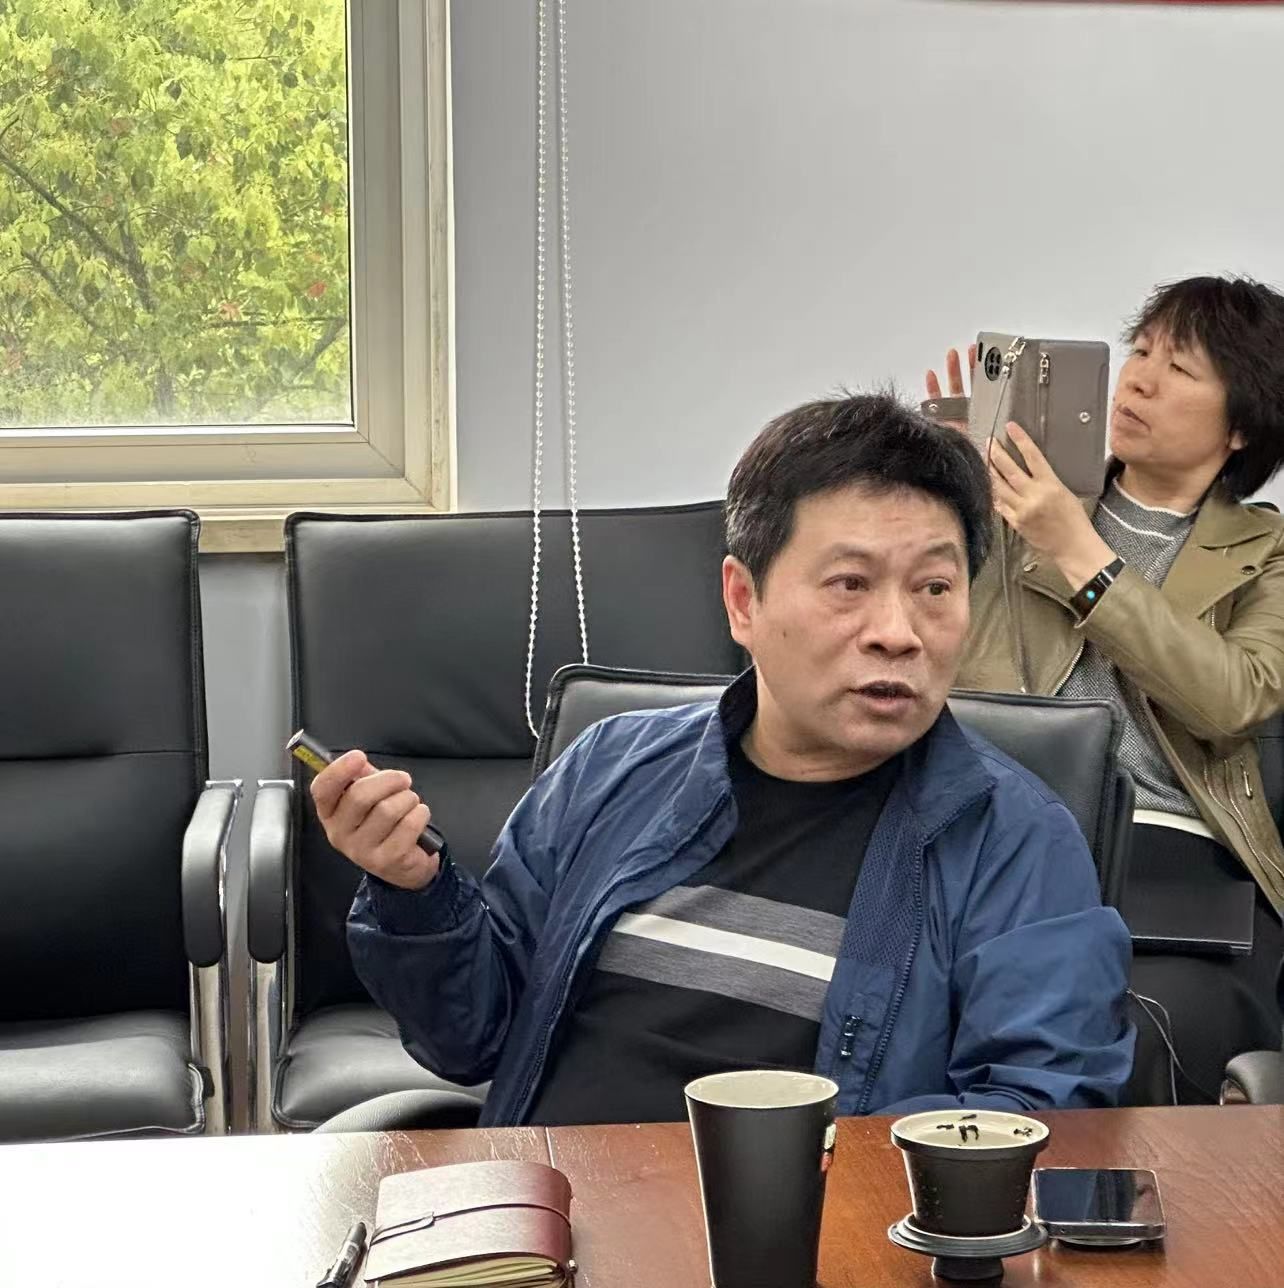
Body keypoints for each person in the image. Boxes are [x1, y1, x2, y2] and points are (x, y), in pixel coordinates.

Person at [312, 393, 1134, 1128]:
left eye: (934, 589)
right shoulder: (610, 768)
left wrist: (793, 1174)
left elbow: (1039, 1111)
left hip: (810, 1229)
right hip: (546, 1217)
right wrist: (414, 893)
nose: (898, 632)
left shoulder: (1015, 841)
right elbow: (472, 1038)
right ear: (744, 600)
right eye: (850, 584)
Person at [926, 274, 1284, 1104]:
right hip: (1002, 824)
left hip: (1173, 860)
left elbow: (1233, 696)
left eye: (1181, 369)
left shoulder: (1267, 554)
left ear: (1241, 426)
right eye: (1141, 351)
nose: (1140, 380)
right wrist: (942, 491)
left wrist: (1081, 554)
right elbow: (925, 634)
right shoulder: (1012, 506)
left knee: (1149, 1021)